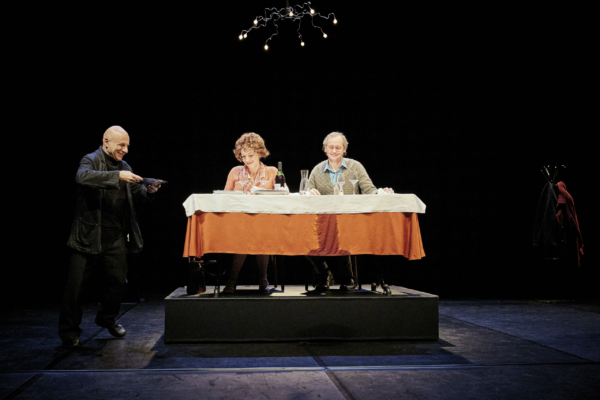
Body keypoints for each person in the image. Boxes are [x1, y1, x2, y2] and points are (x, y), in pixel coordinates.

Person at [59, 126, 160, 348]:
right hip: (88, 235)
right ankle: (69, 332)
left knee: (117, 283)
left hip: (115, 237)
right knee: (75, 288)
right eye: (121, 145)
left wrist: (147, 191)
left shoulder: (125, 166)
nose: (125, 150)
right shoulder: (91, 159)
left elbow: (133, 192)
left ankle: (107, 318)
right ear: (106, 141)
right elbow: (82, 177)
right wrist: (117, 176)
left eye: (127, 146)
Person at [307, 131, 394, 291]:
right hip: (323, 222)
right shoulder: (317, 170)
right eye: (331, 147)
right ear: (325, 148)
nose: (334, 151)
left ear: (344, 149)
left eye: (338, 147)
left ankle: (347, 278)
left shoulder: (355, 167)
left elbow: (369, 190)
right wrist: (310, 192)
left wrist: (382, 192)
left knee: (341, 231)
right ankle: (324, 273)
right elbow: (306, 193)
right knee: (302, 236)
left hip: (350, 221)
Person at [223, 132, 279, 294]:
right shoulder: (235, 171)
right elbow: (224, 196)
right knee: (245, 233)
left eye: (251, 155)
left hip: (265, 220)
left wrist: (260, 192)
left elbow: (284, 194)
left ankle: (261, 279)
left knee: (260, 232)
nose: (247, 159)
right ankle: (233, 280)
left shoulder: (272, 171)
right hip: (239, 220)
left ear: (260, 153)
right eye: (243, 155)